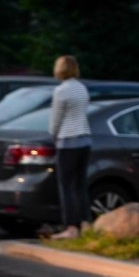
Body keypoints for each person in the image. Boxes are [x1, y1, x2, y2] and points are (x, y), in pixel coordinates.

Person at [49, 55, 91, 240]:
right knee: (80, 184)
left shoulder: (61, 91)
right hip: (85, 139)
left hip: (68, 140)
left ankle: (70, 227)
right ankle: (85, 222)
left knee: (66, 186)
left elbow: (56, 119)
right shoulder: (82, 88)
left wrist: (53, 135)